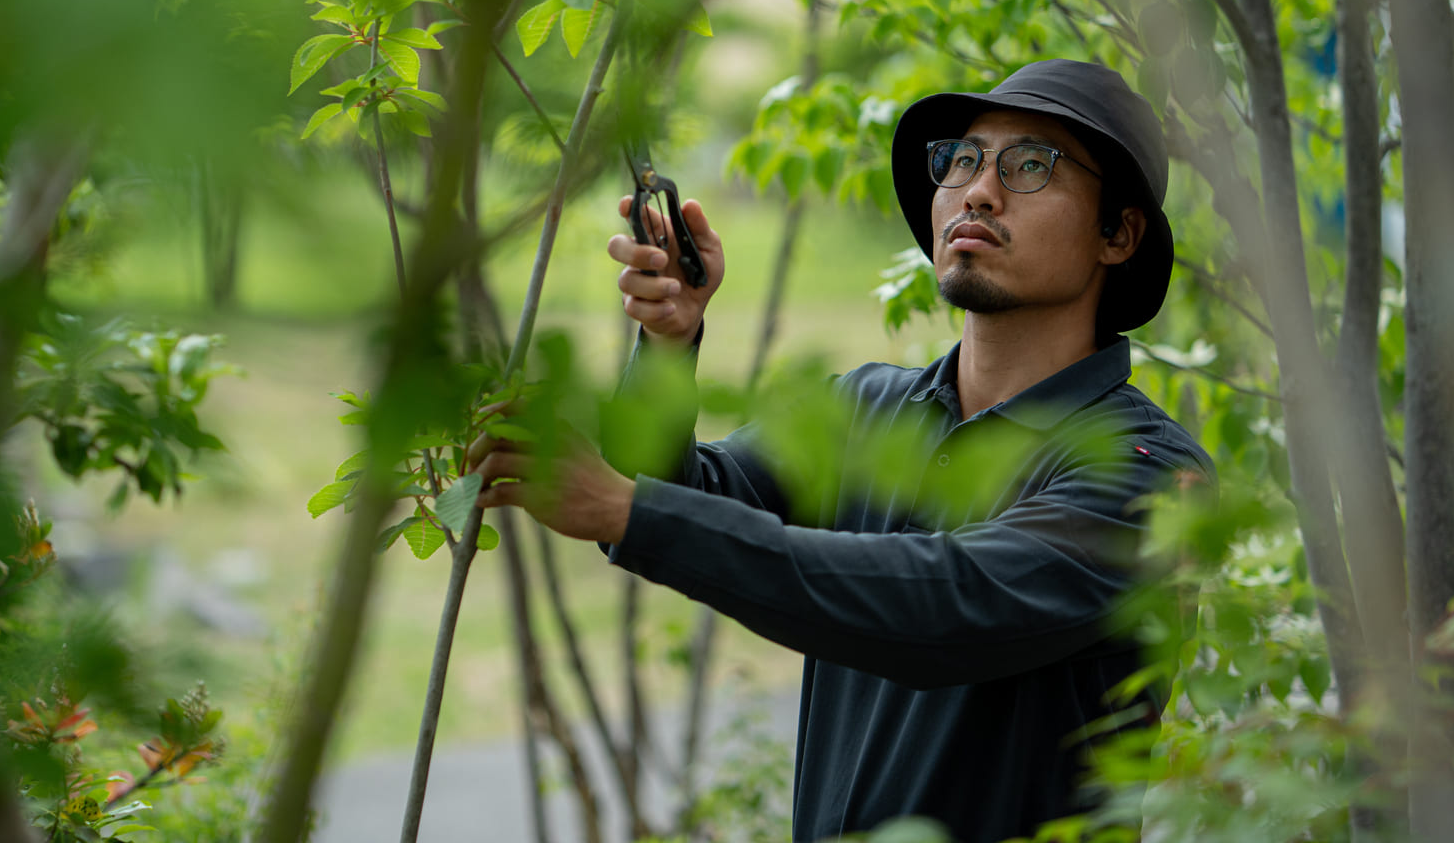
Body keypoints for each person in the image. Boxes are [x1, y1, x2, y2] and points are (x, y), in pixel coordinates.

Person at [471, 58, 1216, 843]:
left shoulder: (1144, 471)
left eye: (1032, 165)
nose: (978, 190)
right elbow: (681, 494)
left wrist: (629, 510)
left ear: (1119, 234)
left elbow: (943, 607)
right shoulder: (865, 408)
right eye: (960, 160)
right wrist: (667, 345)